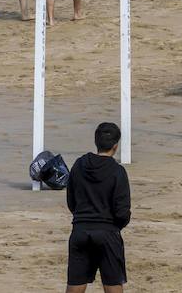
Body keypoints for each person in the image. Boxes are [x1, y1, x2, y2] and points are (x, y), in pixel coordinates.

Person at [65, 122, 131, 293]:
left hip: (80, 230)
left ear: (96, 142)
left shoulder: (79, 165)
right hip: (107, 232)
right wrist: (115, 226)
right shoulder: (118, 171)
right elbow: (122, 211)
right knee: (113, 283)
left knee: (75, 284)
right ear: (116, 146)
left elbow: (71, 201)